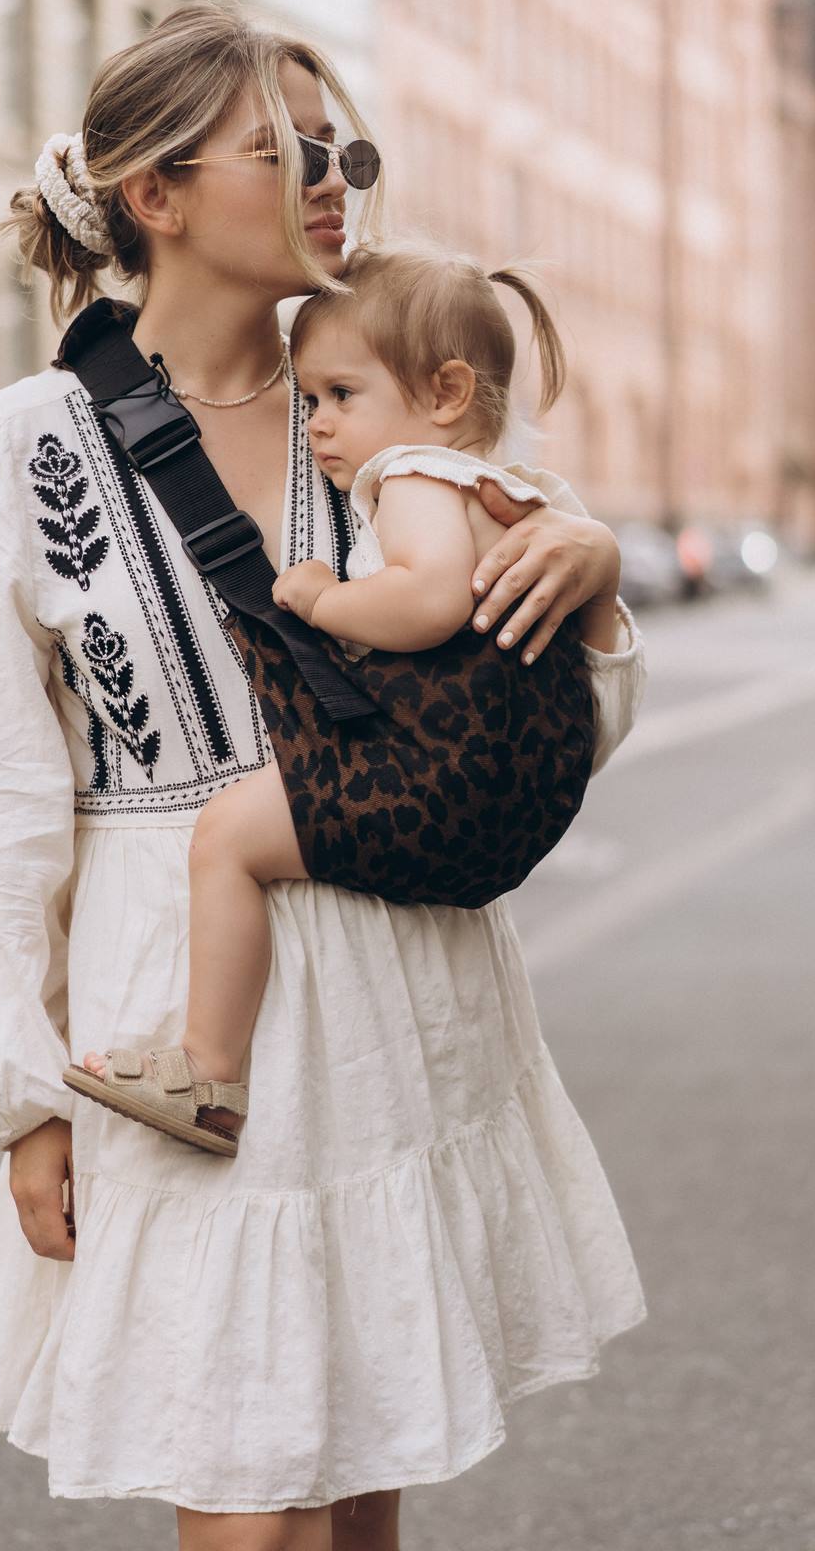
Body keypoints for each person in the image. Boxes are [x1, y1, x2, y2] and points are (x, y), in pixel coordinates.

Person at [0, 2, 646, 1548]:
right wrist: (19, 1100)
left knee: (358, 1477)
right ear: (155, 195)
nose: (332, 179)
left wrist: (589, 574)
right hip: (179, 1024)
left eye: (343, 150)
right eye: (287, 149)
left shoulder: (399, 407)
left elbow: (536, 737)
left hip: (397, 996)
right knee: (251, 1502)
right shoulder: (21, 445)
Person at [65, 239, 614, 1159]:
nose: (315, 423)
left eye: (340, 397)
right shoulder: (510, 495)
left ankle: (208, 1071)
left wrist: (325, 598)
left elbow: (431, 597)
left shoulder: (408, 477)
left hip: (434, 772)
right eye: (309, 397)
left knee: (230, 837)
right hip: (512, 792)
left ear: (442, 395)